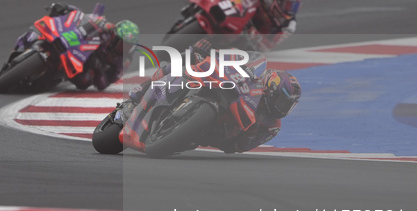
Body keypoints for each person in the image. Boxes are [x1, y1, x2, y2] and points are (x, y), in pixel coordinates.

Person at [124, 39, 301, 153]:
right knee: (177, 65)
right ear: (270, 88)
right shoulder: (254, 82)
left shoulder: (272, 126)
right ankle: (137, 95)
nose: (281, 108)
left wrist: (251, 131)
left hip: (218, 134)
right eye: (281, 101)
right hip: (219, 90)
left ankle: (175, 131)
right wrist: (207, 52)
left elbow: (240, 147)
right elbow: (232, 57)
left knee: (199, 143)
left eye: (287, 105)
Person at [12, 2, 140, 91]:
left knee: (84, 81)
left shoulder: (124, 60)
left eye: (128, 46)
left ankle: (49, 78)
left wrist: (98, 68)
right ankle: (24, 44)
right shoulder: (107, 28)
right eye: (122, 43)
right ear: (114, 36)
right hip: (76, 44)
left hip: (84, 67)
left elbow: (105, 83)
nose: (123, 47)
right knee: (50, 21)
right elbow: (85, 18)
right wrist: (67, 8)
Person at [207, 0, 302, 52]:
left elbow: (269, 46)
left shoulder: (289, 25)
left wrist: (255, 36)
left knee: (243, 51)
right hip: (243, 15)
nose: (290, 9)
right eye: (288, 4)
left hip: (251, 38)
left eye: (294, 6)